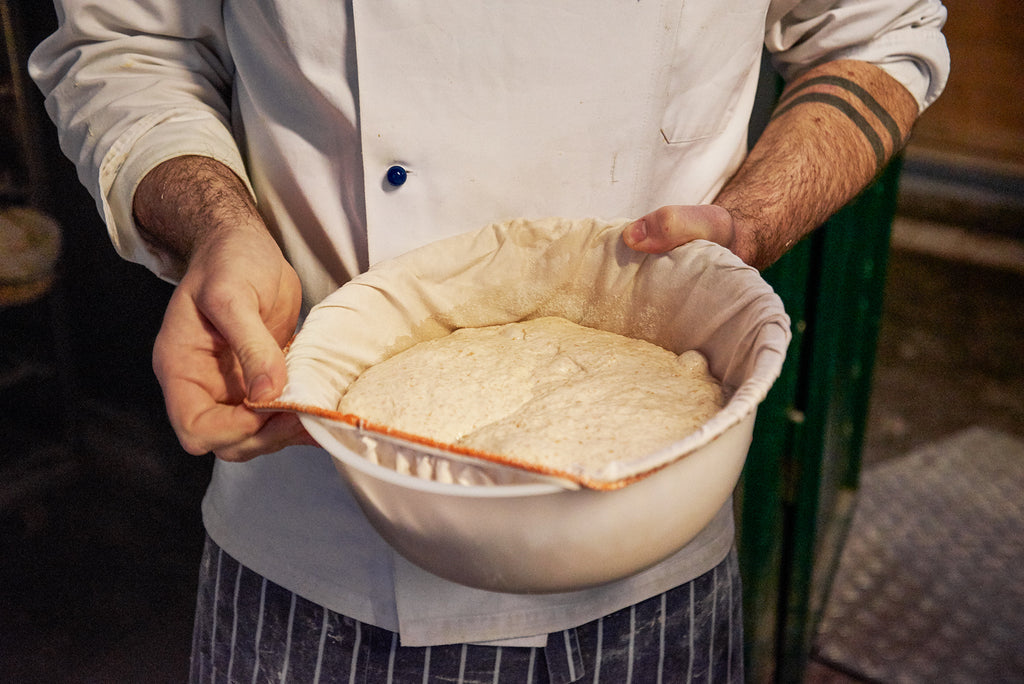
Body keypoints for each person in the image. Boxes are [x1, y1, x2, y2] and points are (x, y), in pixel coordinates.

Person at [30, 2, 949, 681]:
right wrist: (218, 225)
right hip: (314, 533)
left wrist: (750, 224)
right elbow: (127, 46)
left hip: (650, 562)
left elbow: (881, 34)